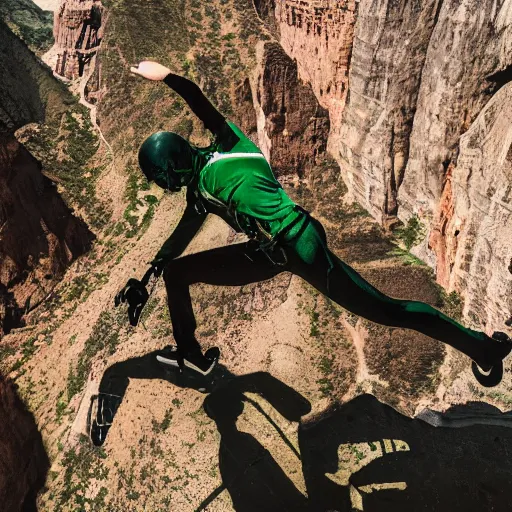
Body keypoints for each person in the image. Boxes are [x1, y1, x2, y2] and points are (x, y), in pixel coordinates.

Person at [116, 60, 511, 383]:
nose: (160, 186)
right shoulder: (229, 144)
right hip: (279, 247)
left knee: (387, 311)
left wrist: (169, 77)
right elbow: (178, 240)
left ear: (169, 171)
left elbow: (195, 99)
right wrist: (149, 277)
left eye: (158, 178)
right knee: (177, 273)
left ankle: (483, 349)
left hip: (298, 246)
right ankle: (191, 356)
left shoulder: (210, 175)